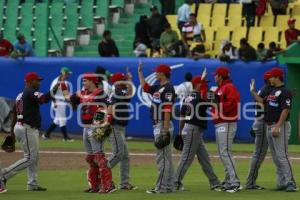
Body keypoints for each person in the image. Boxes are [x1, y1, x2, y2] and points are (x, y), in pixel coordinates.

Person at [0, 72, 60, 193]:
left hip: (21, 126)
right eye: (36, 80)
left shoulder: (20, 95)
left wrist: (12, 133)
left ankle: (32, 183)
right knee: (30, 158)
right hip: (26, 128)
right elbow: (43, 99)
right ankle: (4, 175)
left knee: (34, 157)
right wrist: (55, 88)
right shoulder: (29, 92)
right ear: (30, 82)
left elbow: (15, 114)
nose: (39, 82)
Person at [250, 67, 298, 192]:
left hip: (279, 126)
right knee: (276, 156)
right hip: (269, 125)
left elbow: (286, 109)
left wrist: (278, 125)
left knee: (282, 155)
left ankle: (291, 182)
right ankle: (282, 182)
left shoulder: (284, 91)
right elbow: (262, 101)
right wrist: (253, 91)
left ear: (277, 77)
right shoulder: (273, 91)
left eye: (271, 77)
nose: (269, 79)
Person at [69, 73, 116, 193]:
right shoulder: (83, 92)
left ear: (92, 81)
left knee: (99, 157)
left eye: (85, 80)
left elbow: (108, 106)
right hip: (85, 127)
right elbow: (70, 99)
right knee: (90, 158)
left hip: (95, 126)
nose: (83, 82)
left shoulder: (100, 93)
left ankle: (108, 185)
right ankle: (95, 185)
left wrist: (105, 123)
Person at [174, 74, 221, 192]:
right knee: (186, 158)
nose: (206, 85)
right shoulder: (200, 97)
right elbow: (215, 104)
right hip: (193, 130)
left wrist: (180, 132)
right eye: (204, 83)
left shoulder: (187, 97)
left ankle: (214, 182)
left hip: (190, 129)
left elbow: (182, 116)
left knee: (204, 158)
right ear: (198, 85)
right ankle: (174, 183)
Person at [138, 62, 176, 194]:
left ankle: (161, 187)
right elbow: (145, 87)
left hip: (162, 124)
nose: (155, 73)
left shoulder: (168, 88)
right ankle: (170, 185)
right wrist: (140, 72)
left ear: (163, 73)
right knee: (167, 157)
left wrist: (165, 130)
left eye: (157, 72)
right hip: (158, 123)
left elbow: (167, 110)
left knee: (162, 157)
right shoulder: (158, 87)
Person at [211, 67, 241, 193]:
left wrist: (217, 105)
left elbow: (233, 102)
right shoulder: (220, 88)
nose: (214, 77)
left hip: (227, 122)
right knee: (223, 153)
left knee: (225, 152)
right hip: (220, 122)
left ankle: (235, 182)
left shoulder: (229, 87)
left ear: (220, 76)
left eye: (216, 75)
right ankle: (229, 180)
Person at [106, 70, 137, 190]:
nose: (124, 81)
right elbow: (109, 109)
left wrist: (129, 81)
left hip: (120, 127)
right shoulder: (117, 91)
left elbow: (129, 94)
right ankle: (99, 173)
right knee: (118, 154)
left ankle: (124, 183)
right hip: (114, 126)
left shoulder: (118, 91)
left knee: (124, 156)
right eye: (123, 80)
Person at [246, 71, 273, 190]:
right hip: (262, 123)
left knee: (258, 154)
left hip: (258, 121)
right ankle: (250, 182)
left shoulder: (262, 89)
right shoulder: (268, 90)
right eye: (271, 78)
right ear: (269, 80)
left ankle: (250, 182)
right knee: (259, 154)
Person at [42, 67, 74, 142]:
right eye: (67, 74)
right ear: (64, 74)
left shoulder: (65, 82)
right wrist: (54, 102)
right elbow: (52, 92)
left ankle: (46, 134)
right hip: (57, 102)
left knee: (57, 120)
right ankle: (65, 137)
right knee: (62, 119)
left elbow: (66, 93)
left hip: (62, 102)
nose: (68, 75)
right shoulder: (56, 81)